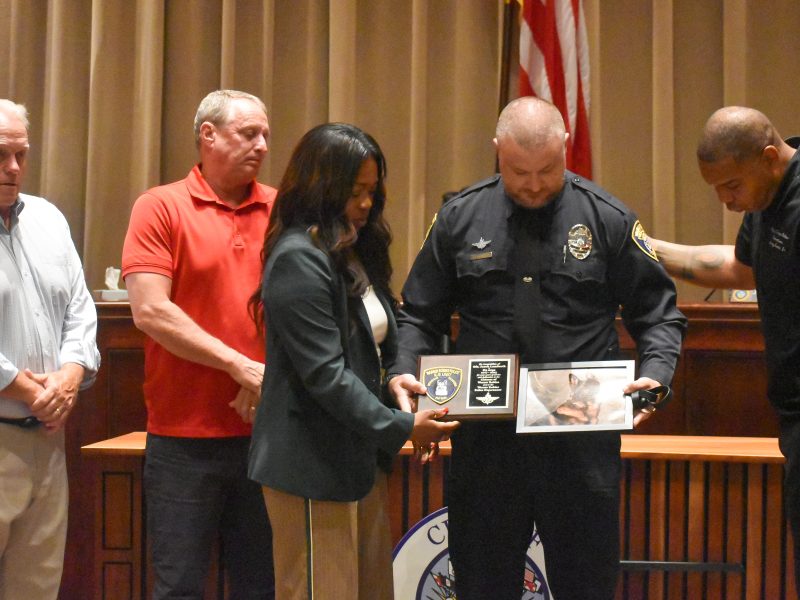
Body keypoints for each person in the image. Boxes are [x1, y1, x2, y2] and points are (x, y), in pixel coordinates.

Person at [387, 96, 687, 600]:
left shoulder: (607, 218)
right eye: (516, 171)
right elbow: (418, 313)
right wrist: (401, 369)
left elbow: (658, 313)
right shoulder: (459, 217)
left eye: (546, 170)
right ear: (497, 151)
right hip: (487, 441)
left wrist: (657, 373)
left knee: (585, 584)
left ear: (565, 147)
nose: (531, 184)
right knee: (482, 582)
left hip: (578, 440)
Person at [247, 122, 459, 600]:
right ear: (322, 186)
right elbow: (326, 377)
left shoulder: (351, 250)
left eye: (372, 190)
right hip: (310, 467)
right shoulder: (299, 258)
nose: (366, 203)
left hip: (356, 460)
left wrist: (397, 381)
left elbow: (380, 340)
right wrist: (403, 427)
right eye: (355, 191)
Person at [122, 90, 275, 599]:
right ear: (208, 135)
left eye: (266, 135)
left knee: (263, 587)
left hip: (266, 436)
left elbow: (304, 311)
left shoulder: (281, 209)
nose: (262, 146)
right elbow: (151, 311)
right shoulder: (160, 206)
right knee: (179, 587)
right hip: (183, 440)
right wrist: (240, 367)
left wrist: (263, 376)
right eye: (248, 133)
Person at [649, 105, 800, 593]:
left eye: (731, 187)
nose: (725, 200)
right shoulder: (768, 201)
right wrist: (642, 246)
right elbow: (739, 269)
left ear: (769, 156)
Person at [0, 99, 99, 599]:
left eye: (21, 155)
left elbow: (80, 310)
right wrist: (24, 388)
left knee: (36, 589)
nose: (13, 168)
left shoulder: (49, 220)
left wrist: (70, 375)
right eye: (0, 155)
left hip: (47, 442)